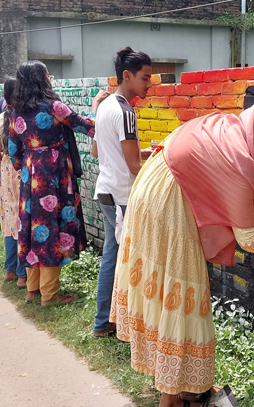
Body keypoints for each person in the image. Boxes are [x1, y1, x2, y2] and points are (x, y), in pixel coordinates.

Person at [110, 95, 254, 407]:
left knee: (167, 289)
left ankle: (186, 391)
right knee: (183, 299)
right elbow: (251, 241)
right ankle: (170, 400)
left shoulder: (226, 127)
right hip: (169, 207)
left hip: (149, 191)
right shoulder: (240, 163)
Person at [9, 61, 108, 306]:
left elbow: (13, 152)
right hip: (54, 174)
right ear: (42, 79)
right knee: (51, 228)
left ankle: (33, 290)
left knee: (33, 229)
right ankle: (50, 295)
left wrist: (29, 166)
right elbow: (88, 127)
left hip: (29, 176)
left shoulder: (16, 112)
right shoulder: (54, 107)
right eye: (48, 75)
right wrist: (96, 105)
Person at [90, 47, 153, 338]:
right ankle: (106, 322)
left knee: (113, 258)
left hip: (106, 192)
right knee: (118, 261)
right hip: (122, 198)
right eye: (145, 78)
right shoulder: (126, 112)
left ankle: (109, 320)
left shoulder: (105, 106)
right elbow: (132, 165)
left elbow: (98, 150)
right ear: (126, 76)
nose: (148, 84)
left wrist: (146, 152)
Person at [0, 78, 27, 287]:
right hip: (23, 171)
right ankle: (23, 275)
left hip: (6, 172)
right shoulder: (24, 118)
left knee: (9, 220)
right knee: (23, 220)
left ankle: (10, 270)